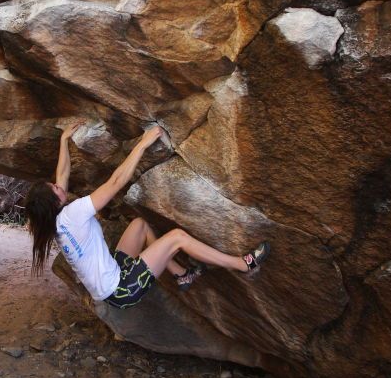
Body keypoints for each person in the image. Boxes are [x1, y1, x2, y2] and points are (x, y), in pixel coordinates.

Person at [24, 122, 270, 309]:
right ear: (54, 202)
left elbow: (62, 175)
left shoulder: (56, 222)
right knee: (177, 237)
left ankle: (181, 275)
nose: (59, 186)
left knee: (140, 225)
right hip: (120, 289)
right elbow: (116, 181)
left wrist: (64, 139)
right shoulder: (72, 215)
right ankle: (242, 264)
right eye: (55, 189)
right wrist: (143, 143)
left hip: (110, 281)